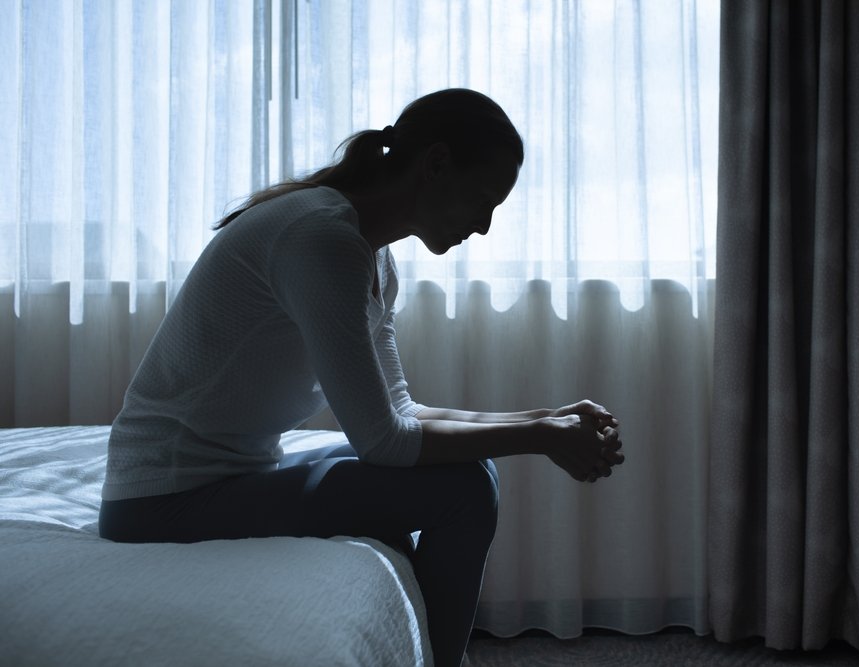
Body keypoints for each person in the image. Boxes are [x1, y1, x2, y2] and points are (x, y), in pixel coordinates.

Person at [98, 88, 624, 667]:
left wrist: (547, 419)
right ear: (436, 164)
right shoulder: (320, 239)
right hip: (164, 499)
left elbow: (400, 409)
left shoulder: (371, 256)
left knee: (461, 472)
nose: (484, 226)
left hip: (236, 470)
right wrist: (541, 438)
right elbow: (387, 441)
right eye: (482, 200)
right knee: (466, 489)